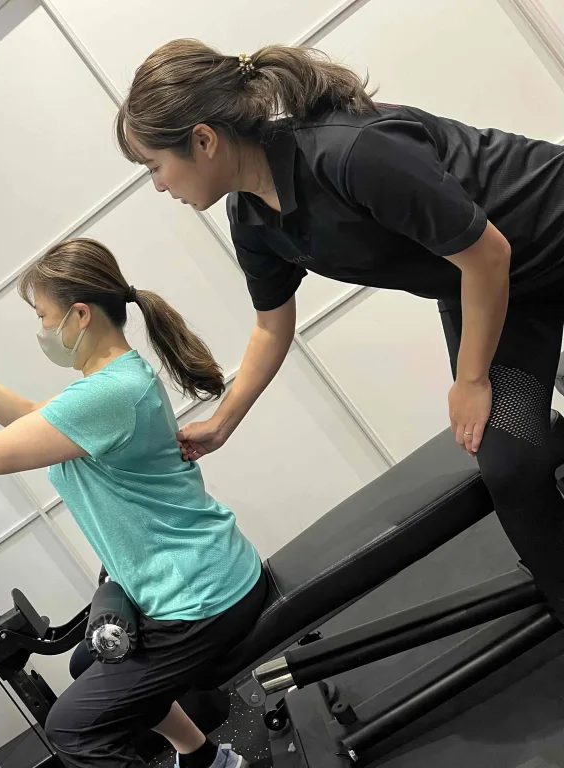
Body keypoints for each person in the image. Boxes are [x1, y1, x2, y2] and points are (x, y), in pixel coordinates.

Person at [115, 39, 564, 616]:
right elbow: (271, 327)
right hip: (489, 291)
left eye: (154, 166)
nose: (157, 185)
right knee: (511, 466)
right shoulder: (251, 218)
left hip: (537, 239)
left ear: (203, 141)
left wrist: (472, 379)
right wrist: (222, 422)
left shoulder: (350, 152)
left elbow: (488, 253)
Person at [0, 237, 265, 768]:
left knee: (72, 729)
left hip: (201, 599)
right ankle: (208, 760)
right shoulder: (114, 382)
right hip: (198, 578)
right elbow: (27, 419)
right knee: (90, 662)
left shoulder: (109, 394)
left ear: (80, 315)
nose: (43, 330)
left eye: (44, 317)